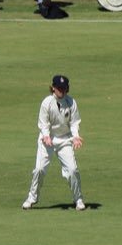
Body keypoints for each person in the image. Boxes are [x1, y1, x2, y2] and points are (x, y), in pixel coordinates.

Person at [23, 75, 85, 211]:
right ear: (53, 88)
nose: (61, 91)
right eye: (59, 88)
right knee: (39, 169)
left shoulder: (71, 102)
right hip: (48, 140)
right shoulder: (47, 103)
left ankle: (78, 199)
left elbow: (74, 122)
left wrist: (75, 136)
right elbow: (43, 123)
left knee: (73, 170)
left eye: (64, 88)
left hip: (65, 139)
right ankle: (32, 198)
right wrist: (46, 136)